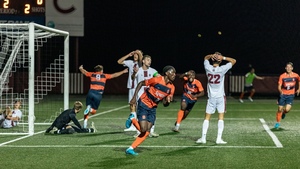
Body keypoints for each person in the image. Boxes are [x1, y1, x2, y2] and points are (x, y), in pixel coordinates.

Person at [125, 65, 176, 156]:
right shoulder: (157, 79)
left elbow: (164, 103)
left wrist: (168, 102)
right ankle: (133, 118)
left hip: (153, 108)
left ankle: (130, 148)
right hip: (144, 103)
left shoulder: (171, 88)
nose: (174, 75)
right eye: (172, 72)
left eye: (175, 73)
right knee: (143, 129)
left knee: (147, 131)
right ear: (166, 73)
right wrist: (134, 97)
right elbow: (141, 83)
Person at [196, 52, 236, 144]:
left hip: (211, 98)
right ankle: (218, 139)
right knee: (221, 117)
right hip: (220, 97)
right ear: (220, 61)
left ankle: (203, 138)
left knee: (207, 118)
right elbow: (234, 61)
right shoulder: (222, 69)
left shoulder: (208, 67)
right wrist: (223, 57)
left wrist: (211, 56)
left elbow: (205, 57)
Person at [127, 55, 160, 138]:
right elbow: (133, 77)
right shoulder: (139, 70)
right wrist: (134, 73)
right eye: (148, 60)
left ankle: (151, 130)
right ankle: (139, 131)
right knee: (140, 114)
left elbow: (159, 77)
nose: (150, 61)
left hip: (151, 96)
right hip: (140, 96)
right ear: (143, 61)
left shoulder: (153, 71)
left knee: (152, 113)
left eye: (150, 60)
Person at [117, 50, 143, 132]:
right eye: (134, 54)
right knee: (132, 106)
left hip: (139, 87)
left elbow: (141, 59)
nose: (135, 55)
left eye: (137, 54)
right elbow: (119, 61)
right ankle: (133, 125)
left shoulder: (141, 63)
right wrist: (128, 54)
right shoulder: (130, 62)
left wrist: (139, 53)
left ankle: (139, 124)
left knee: (139, 106)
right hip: (131, 87)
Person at [274, 62, 300, 129]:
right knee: (279, 109)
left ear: (292, 68)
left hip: (291, 95)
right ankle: (277, 122)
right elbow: (279, 86)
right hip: (283, 94)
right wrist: (280, 91)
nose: (288, 68)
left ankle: (284, 113)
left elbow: (299, 81)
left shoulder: (296, 75)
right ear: (285, 68)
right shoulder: (282, 76)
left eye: (290, 67)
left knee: (287, 110)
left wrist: (299, 89)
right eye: (287, 67)